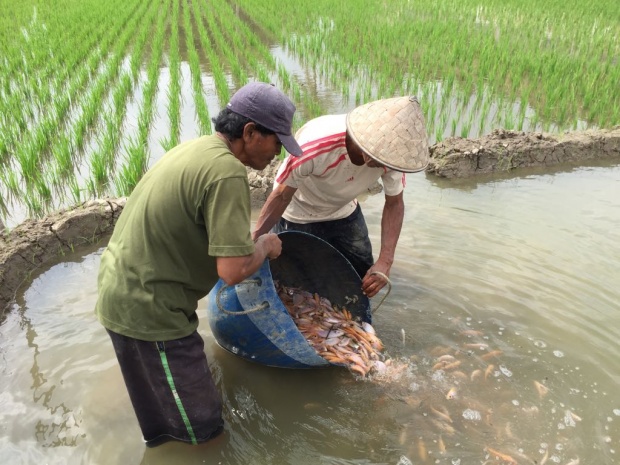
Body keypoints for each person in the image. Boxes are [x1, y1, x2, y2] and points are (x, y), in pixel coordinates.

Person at [94, 82, 302, 448]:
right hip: (150, 312)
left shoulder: (196, 148)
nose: (278, 153)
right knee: (203, 430)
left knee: (166, 415)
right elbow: (232, 271)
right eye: (277, 142)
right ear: (251, 132)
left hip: (124, 289)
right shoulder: (227, 174)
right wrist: (266, 244)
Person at [252, 96, 429, 299]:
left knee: (363, 275)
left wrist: (385, 261)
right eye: (379, 158)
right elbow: (282, 196)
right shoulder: (315, 144)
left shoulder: (394, 155)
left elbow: (394, 203)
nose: (383, 165)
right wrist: (254, 242)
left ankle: (353, 318)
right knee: (296, 284)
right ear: (366, 146)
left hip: (343, 209)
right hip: (298, 211)